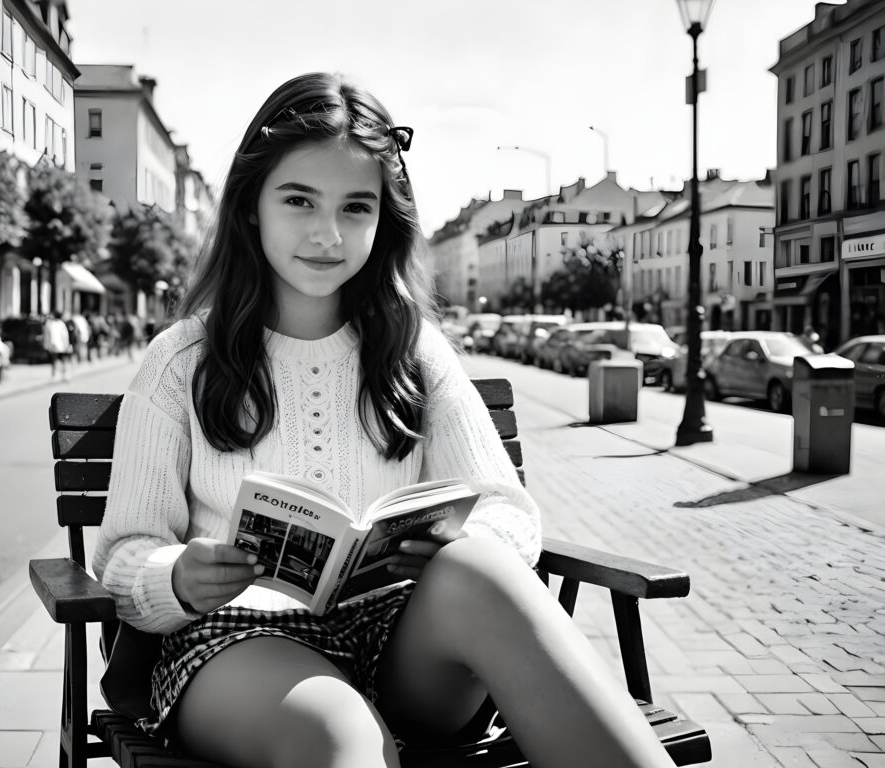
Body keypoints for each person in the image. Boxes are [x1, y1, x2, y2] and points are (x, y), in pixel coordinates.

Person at [92, 72, 675, 768]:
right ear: (252, 206)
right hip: (236, 643)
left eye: (356, 207)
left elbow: (509, 512)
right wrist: (180, 576)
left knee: (480, 570)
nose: (327, 233)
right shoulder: (181, 358)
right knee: (341, 736)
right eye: (299, 200)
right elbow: (122, 558)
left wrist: (458, 541)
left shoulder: (413, 349)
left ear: (383, 218)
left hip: (399, 637)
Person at [43, 311, 72, 381]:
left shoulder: (59, 324)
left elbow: (64, 335)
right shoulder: (52, 324)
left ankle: (63, 373)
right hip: (55, 345)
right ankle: (56, 374)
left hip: (59, 345)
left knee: (60, 359)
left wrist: (66, 345)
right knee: (55, 360)